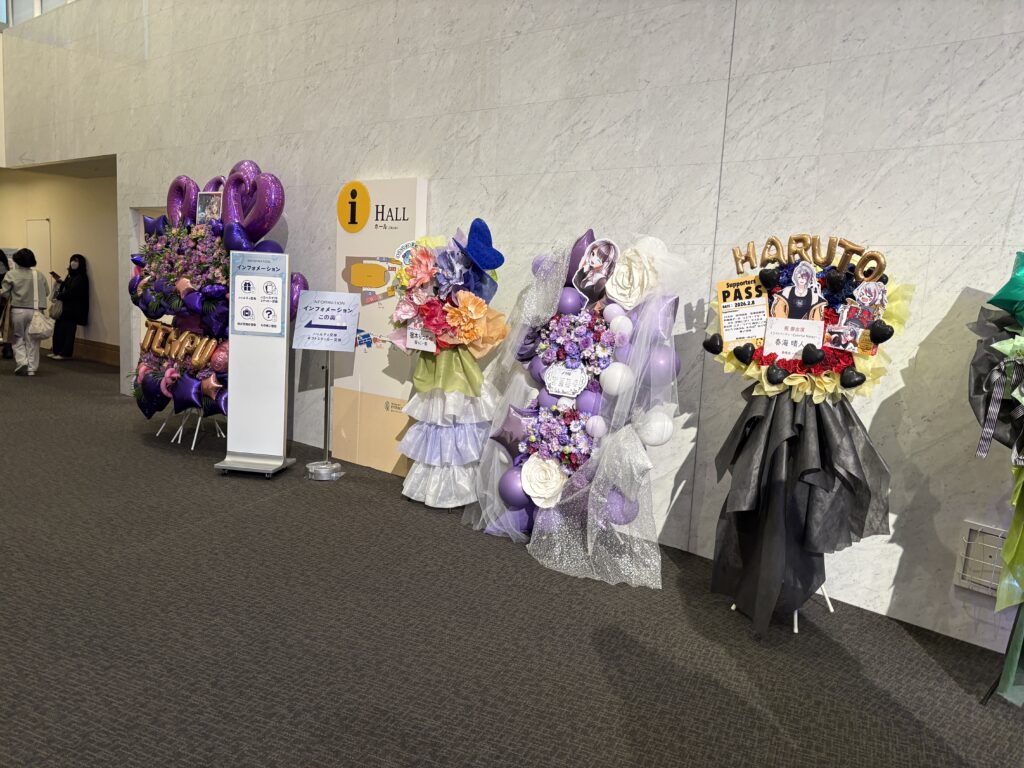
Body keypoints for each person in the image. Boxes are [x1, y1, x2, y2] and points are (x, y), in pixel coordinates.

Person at [0, 248, 49, 376]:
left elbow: (4, 293)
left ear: (16, 261)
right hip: (36, 311)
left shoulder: (11, 274)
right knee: (33, 340)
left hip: (18, 310)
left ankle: (22, 362)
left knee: (17, 338)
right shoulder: (39, 275)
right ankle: (32, 368)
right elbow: (47, 292)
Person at [49, 254, 90, 360]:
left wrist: (59, 295)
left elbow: (73, 292)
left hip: (73, 309)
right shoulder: (70, 275)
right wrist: (60, 282)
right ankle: (57, 351)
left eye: (76, 261)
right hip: (65, 307)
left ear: (80, 263)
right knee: (58, 329)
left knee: (68, 331)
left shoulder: (81, 277)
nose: (73, 263)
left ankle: (65, 353)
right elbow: (67, 288)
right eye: (72, 260)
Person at [0, 250, 11, 359]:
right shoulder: (7, 270)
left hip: (2, 298)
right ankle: (8, 349)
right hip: (4, 300)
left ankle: (7, 349)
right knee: (5, 325)